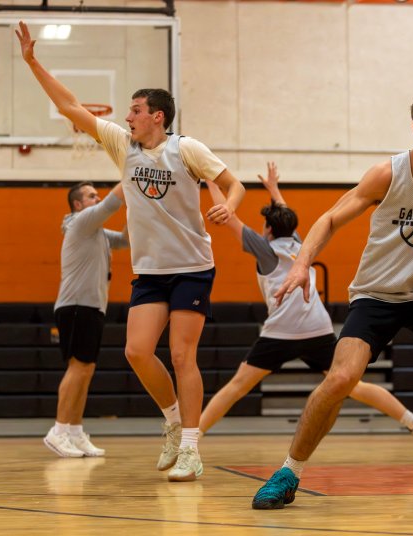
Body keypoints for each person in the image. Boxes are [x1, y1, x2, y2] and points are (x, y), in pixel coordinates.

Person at [252, 85, 413, 513]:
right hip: (377, 291)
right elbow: (331, 217)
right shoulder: (388, 173)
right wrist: (301, 264)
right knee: (340, 379)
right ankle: (288, 471)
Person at [17, 22, 245, 481]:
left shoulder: (187, 150)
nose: (129, 117)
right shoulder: (124, 149)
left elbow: (232, 184)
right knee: (137, 352)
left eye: (136, 111)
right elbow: (69, 106)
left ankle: (191, 448)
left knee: (183, 356)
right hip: (150, 271)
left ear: (158, 116)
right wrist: (32, 62)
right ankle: (174, 420)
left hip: (192, 267)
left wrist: (229, 207)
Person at [200, 162, 413, 453]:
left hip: (282, 333)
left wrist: (210, 182)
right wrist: (274, 190)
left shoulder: (265, 248)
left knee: (237, 386)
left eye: (266, 225)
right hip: (317, 328)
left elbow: (229, 217)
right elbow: (287, 219)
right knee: (355, 386)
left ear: (269, 229)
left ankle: (192, 439)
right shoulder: (301, 245)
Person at [45, 181, 128, 458]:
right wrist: (134, 170)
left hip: (92, 307)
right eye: (92, 196)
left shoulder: (99, 233)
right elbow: (112, 203)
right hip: (76, 306)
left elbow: (128, 239)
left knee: (86, 370)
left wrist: (139, 207)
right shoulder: (81, 222)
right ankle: (58, 431)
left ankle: (74, 431)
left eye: (97, 194)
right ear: (78, 205)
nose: (98, 198)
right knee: (78, 368)